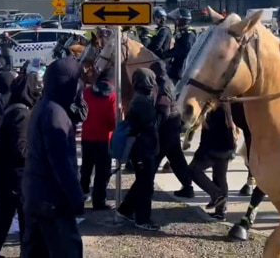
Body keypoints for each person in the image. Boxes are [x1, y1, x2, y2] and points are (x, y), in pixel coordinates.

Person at [21, 57, 85, 257]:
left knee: (34, 252)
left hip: (35, 194)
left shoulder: (45, 105)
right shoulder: (55, 114)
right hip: (52, 201)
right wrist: (76, 197)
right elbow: (61, 163)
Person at [0, 73, 41, 258]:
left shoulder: (12, 108)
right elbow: (20, 148)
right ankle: (26, 250)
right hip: (16, 173)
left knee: (5, 212)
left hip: (4, 171)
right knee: (23, 215)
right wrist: (37, 155)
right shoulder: (22, 113)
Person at [116, 68, 161, 231]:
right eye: (152, 79)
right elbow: (148, 124)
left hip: (144, 147)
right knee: (145, 186)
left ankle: (125, 209)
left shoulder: (142, 97)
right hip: (142, 149)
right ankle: (142, 220)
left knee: (142, 182)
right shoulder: (141, 101)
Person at [149, 61, 194, 198]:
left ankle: (146, 185)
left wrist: (155, 127)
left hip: (166, 129)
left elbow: (164, 110)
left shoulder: (162, 87)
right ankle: (187, 187)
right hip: (173, 126)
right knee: (177, 160)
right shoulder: (168, 82)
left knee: (154, 158)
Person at [190, 104, 236, 221]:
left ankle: (217, 195)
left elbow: (229, 123)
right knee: (220, 177)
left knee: (193, 170)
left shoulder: (221, 106)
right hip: (225, 146)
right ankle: (220, 212)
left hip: (213, 147)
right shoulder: (220, 105)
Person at [80, 68, 116, 210]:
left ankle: (81, 195)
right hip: (104, 139)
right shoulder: (112, 96)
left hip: (87, 135)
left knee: (86, 168)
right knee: (102, 172)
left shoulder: (87, 92)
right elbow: (113, 121)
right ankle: (99, 201)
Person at [164, 8, 197, 84]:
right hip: (177, 65)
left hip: (182, 69)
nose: (175, 22)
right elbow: (177, 47)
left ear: (182, 21)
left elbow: (185, 51)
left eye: (177, 20)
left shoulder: (189, 34)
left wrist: (170, 54)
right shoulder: (182, 32)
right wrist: (166, 54)